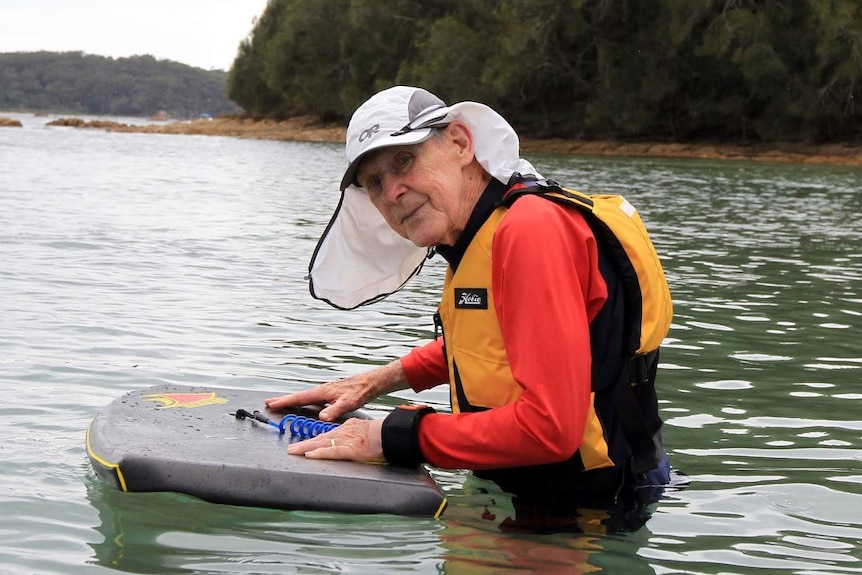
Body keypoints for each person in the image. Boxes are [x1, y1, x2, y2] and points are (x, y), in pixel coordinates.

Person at [266, 86, 673, 508]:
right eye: (374, 182)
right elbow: (498, 344)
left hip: (586, 516)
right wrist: (374, 382)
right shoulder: (478, 232)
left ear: (460, 143)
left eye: (404, 160)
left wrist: (393, 437)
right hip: (535, 498)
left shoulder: (529, 231)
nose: (391, 193)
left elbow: (551, 429)